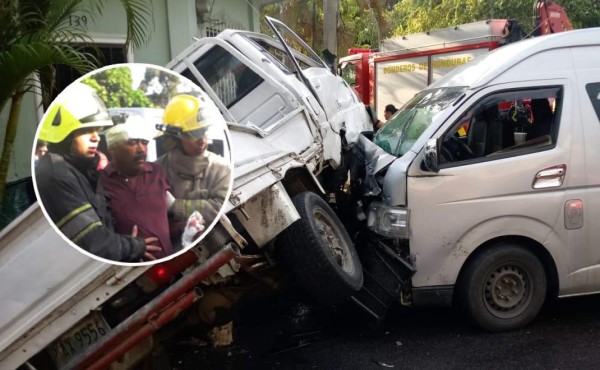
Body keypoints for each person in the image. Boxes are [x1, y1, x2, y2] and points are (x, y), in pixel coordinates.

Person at [35, 83, 160, 262]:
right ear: (65, 135)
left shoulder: (80, 170)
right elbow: (94, 242)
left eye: (97, 131)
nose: (95, 137)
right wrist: (134, 246)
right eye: (86, 131)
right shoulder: (57, 175)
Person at [156, 94, 231, 246]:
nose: (202, 139)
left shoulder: (221, 169)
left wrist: (175, 206)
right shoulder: (155, 172)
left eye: (204, 131)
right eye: (194, 134)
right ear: (175, 138)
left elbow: (220, 206)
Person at [101, 115, 174, 260]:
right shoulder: (100, 182)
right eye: (133, 142)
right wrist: (130, 246)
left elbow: (169, 213)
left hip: (172, 262)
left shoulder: (157, 172)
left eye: (144, 142)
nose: (141, 149)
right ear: (112, 149)